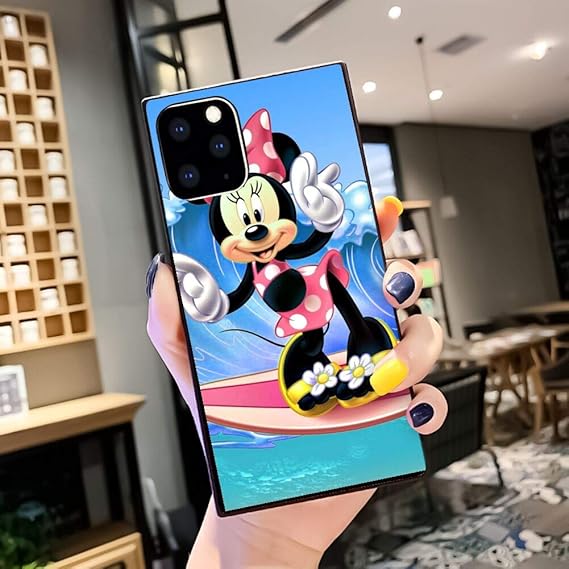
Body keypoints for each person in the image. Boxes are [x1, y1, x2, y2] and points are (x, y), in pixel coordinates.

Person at [146, 196, 447, 568]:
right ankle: (315, 380)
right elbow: (236, 297)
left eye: (262, 214)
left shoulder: (291, 249)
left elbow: (312, 243)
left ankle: (364, 348)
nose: (256, 230)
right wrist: (213, 302)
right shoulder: (252, 271)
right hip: (302, 319)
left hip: (317, 285)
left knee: (350, 308)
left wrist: (325, 216)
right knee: (308, 345)